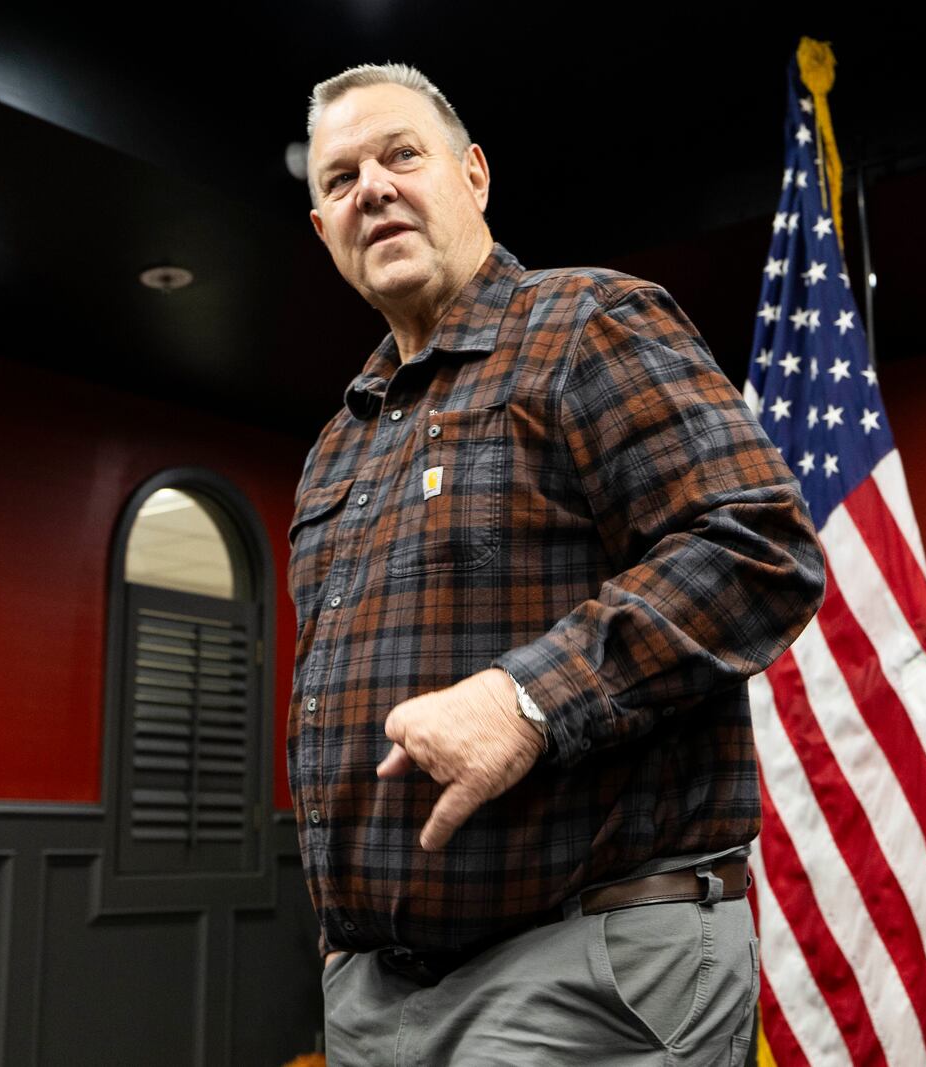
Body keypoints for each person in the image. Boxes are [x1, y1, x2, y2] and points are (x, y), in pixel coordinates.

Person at [289, 62, 824, 1066]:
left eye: (401, 155)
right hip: (371, 989)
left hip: (581, 965)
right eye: (339, 178)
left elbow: (758, 546)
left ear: (473, 176)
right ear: (325, 230)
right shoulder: (338, 440)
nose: (371, 188)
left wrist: (525, 699)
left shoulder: (586, 323)